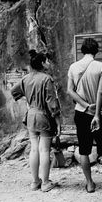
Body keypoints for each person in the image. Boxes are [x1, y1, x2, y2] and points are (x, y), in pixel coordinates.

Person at [67, 38, 102, 193]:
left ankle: (90, 184)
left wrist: (85, 106)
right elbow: (101, 92)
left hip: (80, 112)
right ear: (96, 51)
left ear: (82, 50)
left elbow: (70, 90)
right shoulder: (101, 67)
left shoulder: (73, 67)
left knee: (84, 149)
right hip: (97, 114)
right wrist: (96, 113)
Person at [11, 50, 61, 192]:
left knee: (34, 148)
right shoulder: (47, 79)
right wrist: (58, 121)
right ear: (42, 63)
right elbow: (53, 104)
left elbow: (14, 92)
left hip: (31, 116)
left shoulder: (25, 79)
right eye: (46, 61)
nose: (48, 63)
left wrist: (28, 100)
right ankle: (45, 183)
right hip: (44, 117)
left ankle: (35, 182)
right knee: (44, 150)